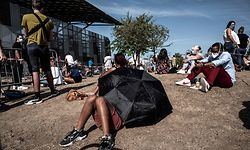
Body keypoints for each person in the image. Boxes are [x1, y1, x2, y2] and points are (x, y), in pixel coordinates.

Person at [59, 53, 127, 149]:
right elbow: (94, 91)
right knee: (92, 98)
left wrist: (112, 71)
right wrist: (82, 94)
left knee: (100, 99)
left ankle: (107, 138)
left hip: (116, 119)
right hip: (103, 119)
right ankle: (78, 130)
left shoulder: (128, 78)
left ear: (114, 62)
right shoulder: (109, 77)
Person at [21, 0, 59, 105]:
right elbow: (51, 38)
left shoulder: (26, 17)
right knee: (47, 69)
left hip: (32, 46)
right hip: (44, 47)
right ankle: (53, 90)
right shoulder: (48, 20)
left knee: (35, 70)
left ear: (32, 7)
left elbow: (25, 33)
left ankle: (37, 96)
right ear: (42, 8)